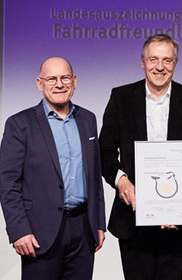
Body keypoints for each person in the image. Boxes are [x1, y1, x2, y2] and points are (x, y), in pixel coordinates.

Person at [99, 34, 182, 280]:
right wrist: (122, 181)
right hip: (131, 217)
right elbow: (105, 150)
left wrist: (180, 203)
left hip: (176, 220)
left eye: (167, 60)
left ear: (175, 64)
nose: (160, 67)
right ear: (142, 62)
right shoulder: (121, 98)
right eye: (153, 59)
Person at [0, 57, 106, 279]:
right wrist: (19, 231)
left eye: (65, 78)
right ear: (40, 83)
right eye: (52, 79)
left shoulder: (88, 119)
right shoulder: (19, 124)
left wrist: (98, 224)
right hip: (39, 233)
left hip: (83, 231)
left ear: (74, 81)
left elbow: (94, 176)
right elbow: (8, 182)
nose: (59, 84)